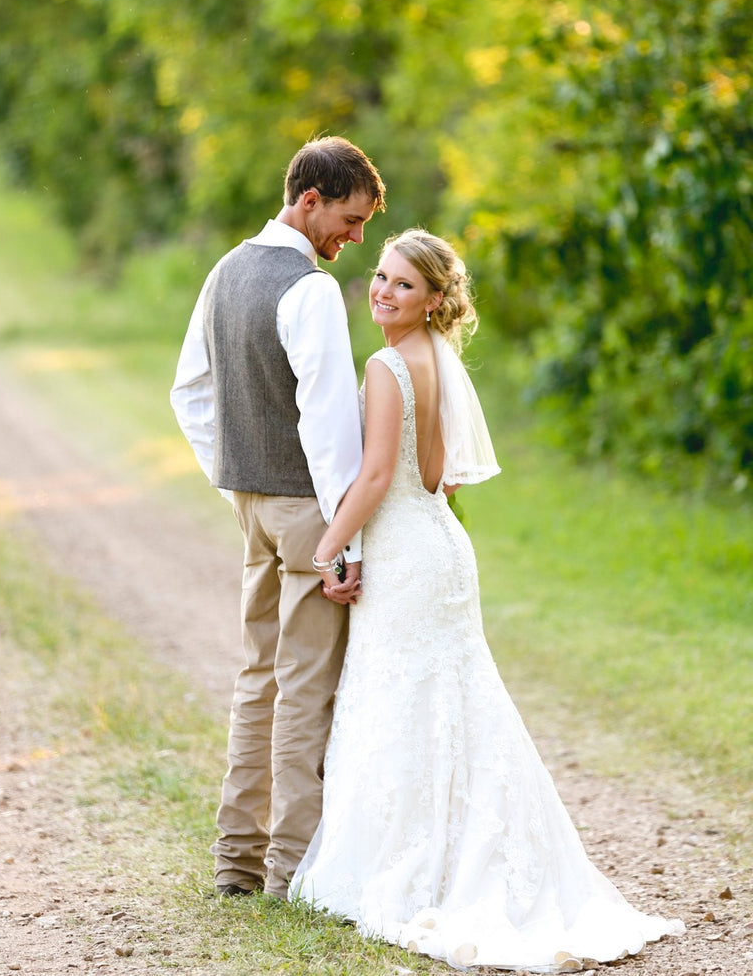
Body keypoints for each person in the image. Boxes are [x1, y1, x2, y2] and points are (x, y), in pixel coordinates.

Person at [291, 229, 685, 972]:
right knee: (455, 701)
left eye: (404, 285)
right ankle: (471, 856)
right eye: (379, 276)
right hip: (443, 546)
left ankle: (418, 866)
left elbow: (377, 479)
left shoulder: (384, 366)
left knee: (406, 699)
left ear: (435, 298)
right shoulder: (440, 360)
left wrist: (326, 549)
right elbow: (444, 476)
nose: (382, 291)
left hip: (407, 553)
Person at [170, 136, 386, 900]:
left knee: (256, 678)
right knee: (304, 689)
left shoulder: (224, 270)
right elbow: (327, 427)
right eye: (351, 220)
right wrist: (343, 542)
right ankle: (293, 869)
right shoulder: (311, 289)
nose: (355, 239)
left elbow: (188, 392)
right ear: (310, 200)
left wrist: (232, 480)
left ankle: (237, 860)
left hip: (253, 508)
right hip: (307, 514)